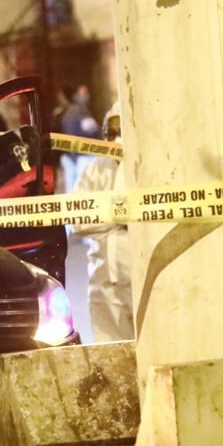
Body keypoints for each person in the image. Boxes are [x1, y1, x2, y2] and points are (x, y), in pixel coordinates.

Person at [71, 101, 133, 342]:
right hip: (102, 277)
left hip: (138, 277)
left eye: (121, 130)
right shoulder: (94, 169)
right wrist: (120, 220)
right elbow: (78, 220)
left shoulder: (145, 168)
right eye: (110, 132)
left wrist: (104, 216)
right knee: (110, 349)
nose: (115, 138)